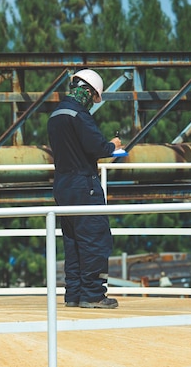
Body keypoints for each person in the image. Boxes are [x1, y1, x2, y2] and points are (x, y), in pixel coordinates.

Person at [47, 69, 122, 309]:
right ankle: (93, 295)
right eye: (95, 97)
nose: (93, 103)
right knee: (94, 239)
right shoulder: (79, 115)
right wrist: (113, 145)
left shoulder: (56, 113)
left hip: (62, 185)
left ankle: (74, 294)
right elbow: (96, 147)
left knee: (73, 242)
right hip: (83, 184)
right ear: (89, 92)